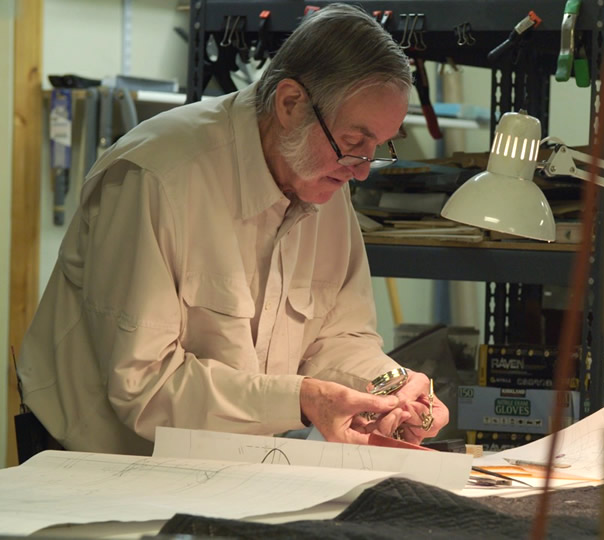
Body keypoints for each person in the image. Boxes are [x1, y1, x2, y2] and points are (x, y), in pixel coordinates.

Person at [16, 4, 448, 455]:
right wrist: (300, 400)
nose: (360, 171)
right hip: (101, 465)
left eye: (378, 147)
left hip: (235, 463)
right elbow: (145, 386)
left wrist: (390, 390)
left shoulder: (324, 177)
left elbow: (339, 336)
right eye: (354, 142)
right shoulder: (157, 177)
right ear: (290, 104)